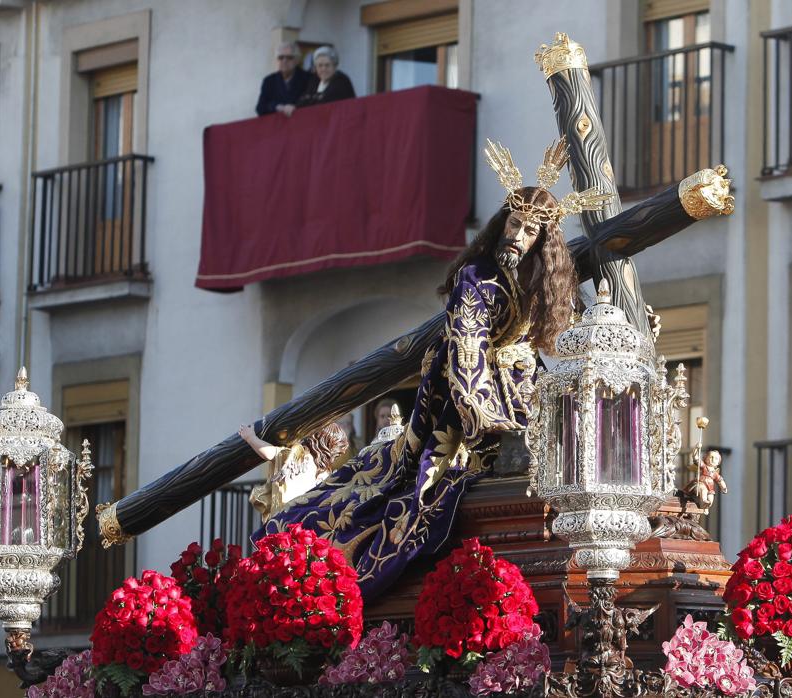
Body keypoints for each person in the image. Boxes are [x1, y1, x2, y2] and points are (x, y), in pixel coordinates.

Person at [257, 137, 610, 599]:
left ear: (545, 241)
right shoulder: (476, 276)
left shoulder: (545, 278)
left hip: (523, 383)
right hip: (462, 387)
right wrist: (485, 414)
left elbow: (573, 328)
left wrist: (611, 334)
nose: (517, 238)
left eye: (529, 232)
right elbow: (468, 345)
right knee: (424, 481)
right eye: (514, 225)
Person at [242, 421, 349, 522]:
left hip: (286, 514)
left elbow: (269, 452)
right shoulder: (325, 472)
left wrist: (250, 437)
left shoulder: (296, 458)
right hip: (305, 517)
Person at [282, 45, 355, 115]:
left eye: (327, 65)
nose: (323, 69)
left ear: (335, 66)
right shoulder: (315, 80)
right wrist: (294, 107)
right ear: (315, 68)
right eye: (320, 65)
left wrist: (311, 100)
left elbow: (324, 102)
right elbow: (303, 99)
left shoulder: (341, 80)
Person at [255, 41, 311, 116]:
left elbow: (311, 103)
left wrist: (296, 107)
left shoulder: (309, 78)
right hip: (277, 126)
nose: (284, 61)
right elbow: (260, 108)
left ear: (297, 60)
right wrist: (278, 107)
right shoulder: (269, 80)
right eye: (281, 57)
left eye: (289, 57)